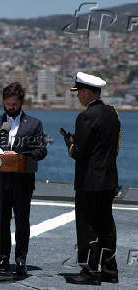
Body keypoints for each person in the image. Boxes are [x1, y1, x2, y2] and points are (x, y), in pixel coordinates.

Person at [63, 72, 120, 285]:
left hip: (89, 182)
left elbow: (78, 152)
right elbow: (114, 148)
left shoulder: (85, 117)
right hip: (108, 180)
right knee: (106, 226)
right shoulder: (112, 113)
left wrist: (69, 141)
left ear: (87, 93)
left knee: (87, 227)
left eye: (79, 92)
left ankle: (89, 272)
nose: (78, 96)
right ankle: (109, 270)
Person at [0, 82, 47, 276]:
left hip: (22, 181)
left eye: (13, 103)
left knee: (22, 221)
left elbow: (41, 150)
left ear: (21, 102)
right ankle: (2, 258)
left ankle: (21, 260)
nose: (10, 107)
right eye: (7, 103)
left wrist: (18, 154)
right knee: (1, 221)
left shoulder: (34, 124)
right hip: (0, 180)